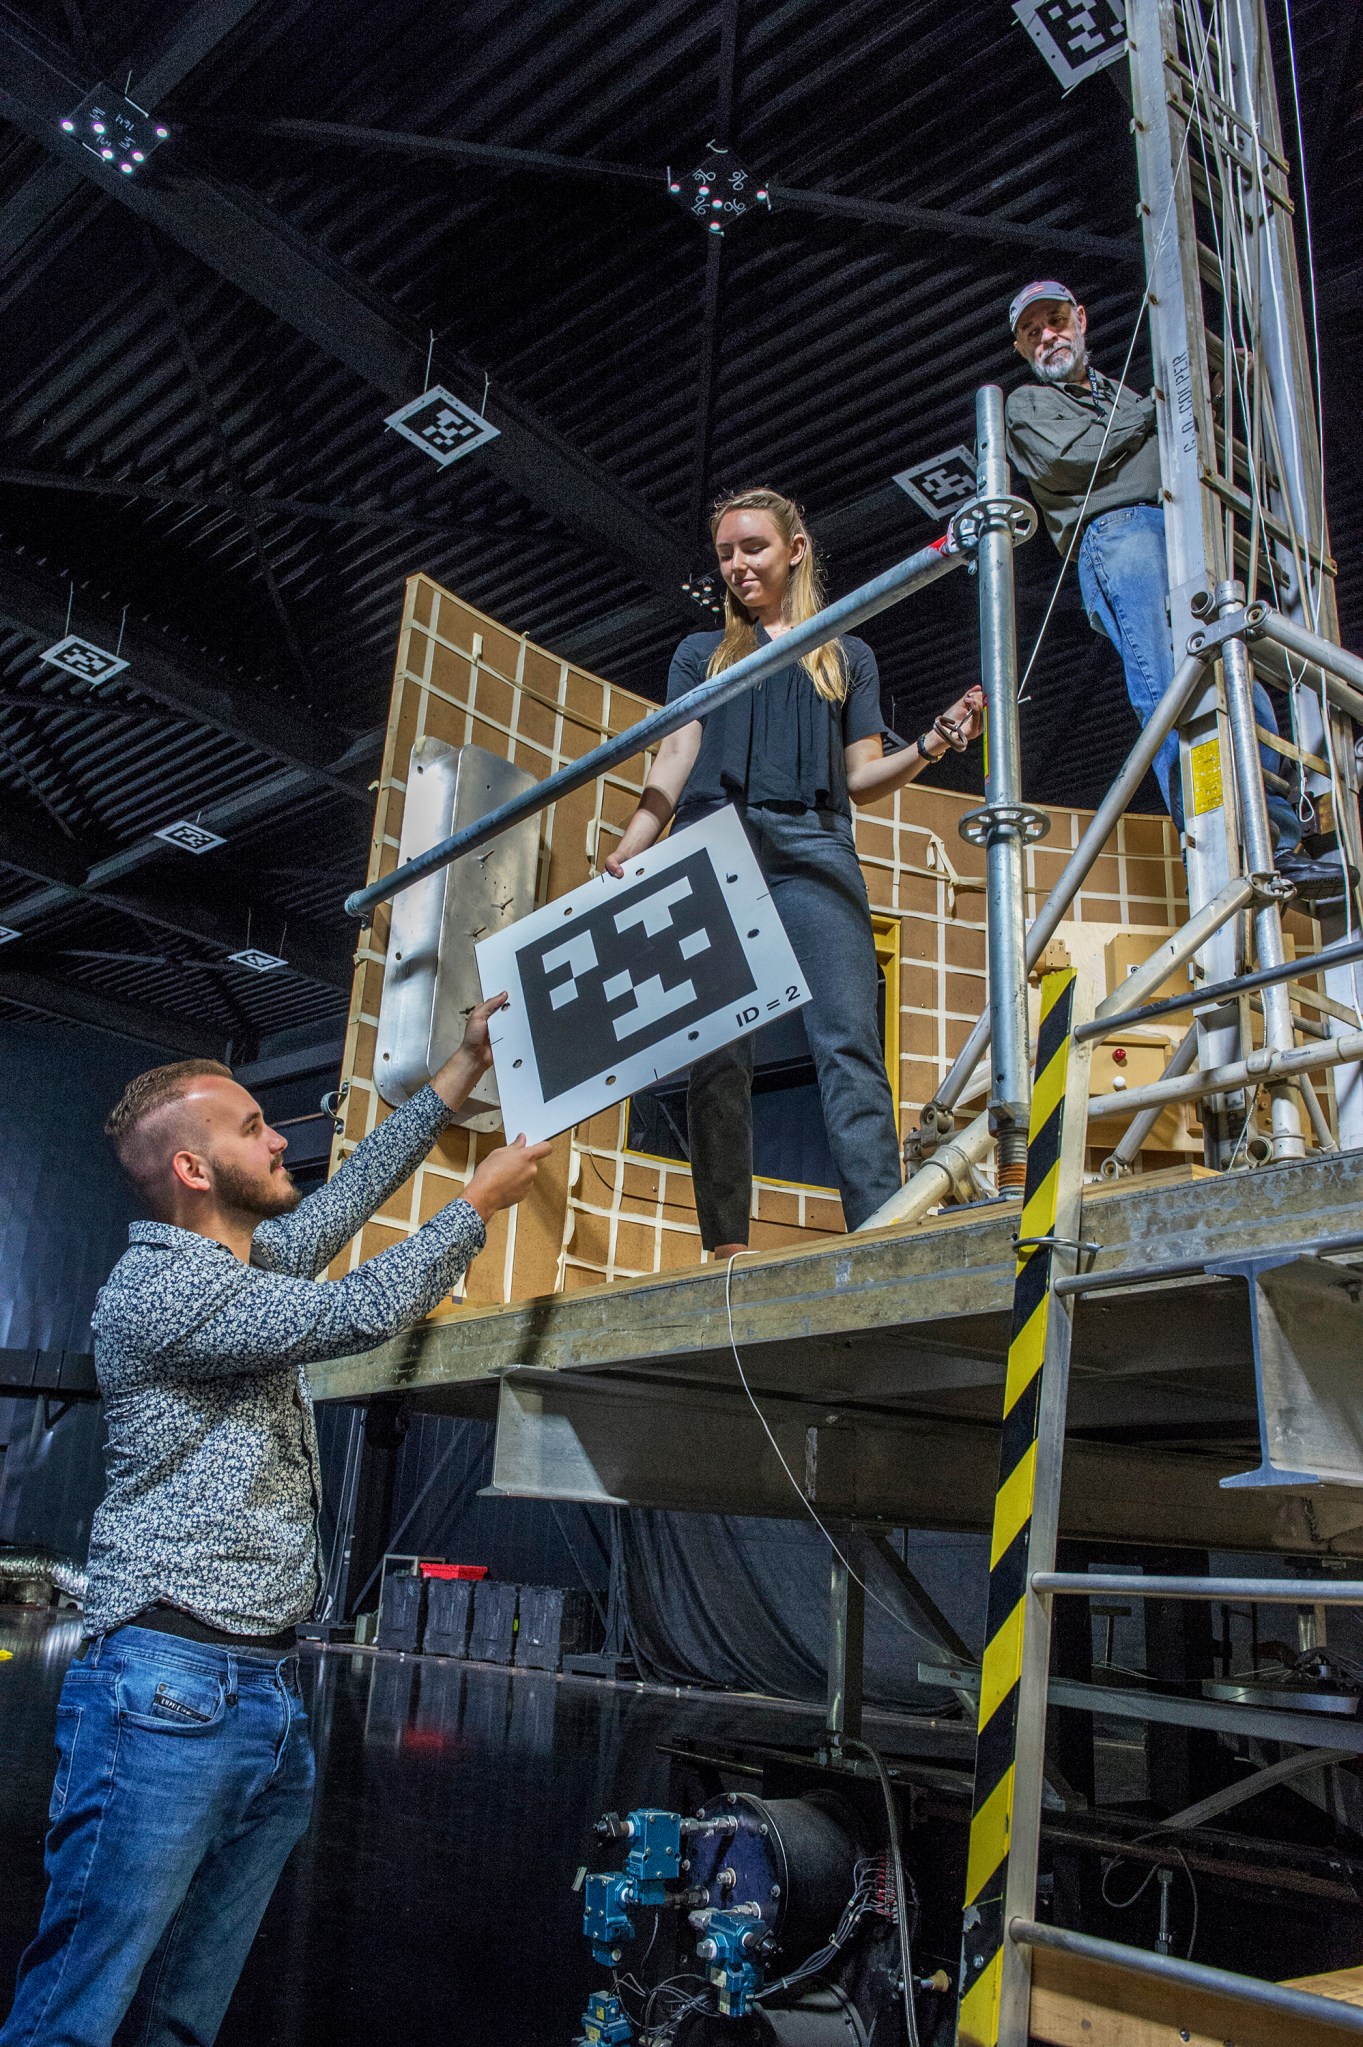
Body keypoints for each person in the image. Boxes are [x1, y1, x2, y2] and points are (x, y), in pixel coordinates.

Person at [1, 998, 550, 2047]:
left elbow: (341, 1205)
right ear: (195, 1173)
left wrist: (458, 1075)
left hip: (257, 1693)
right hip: (166, 1693)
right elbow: (353, 1312)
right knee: (77, 2008)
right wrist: (475, 1203)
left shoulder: (239, 1267)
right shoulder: (160, 1291)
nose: (279, 1135)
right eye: (253, 1126)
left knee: (183, 2011)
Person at [607, 486, 984, 1256]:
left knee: (846, 1042)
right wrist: (632, 842)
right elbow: (675, 754)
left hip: (813, 844)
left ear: (794, 549)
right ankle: (725, 1246)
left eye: (752, 547)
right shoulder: (698, 655)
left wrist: (933, 745)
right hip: (712, 843)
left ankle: (879, 1232)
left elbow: (862, 777)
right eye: (724, 553)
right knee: (717, 1056)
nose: (737, 565)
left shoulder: (845, 655)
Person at [1004, 279, 1342, 898]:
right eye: (1033, 332)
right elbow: (1069, 461)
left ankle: (1281, 843)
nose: (1047, 336)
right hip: (1121, 538)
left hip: (1183, 533)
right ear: (1023, 348)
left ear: (1080, 319)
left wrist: (1180, 408)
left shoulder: (1123, 397)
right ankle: (1213, 845)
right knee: (1171, 690)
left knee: (1243, 687)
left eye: (1055, 321)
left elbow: (1163, 455)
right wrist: (1162, 412)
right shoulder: (1027, 404)